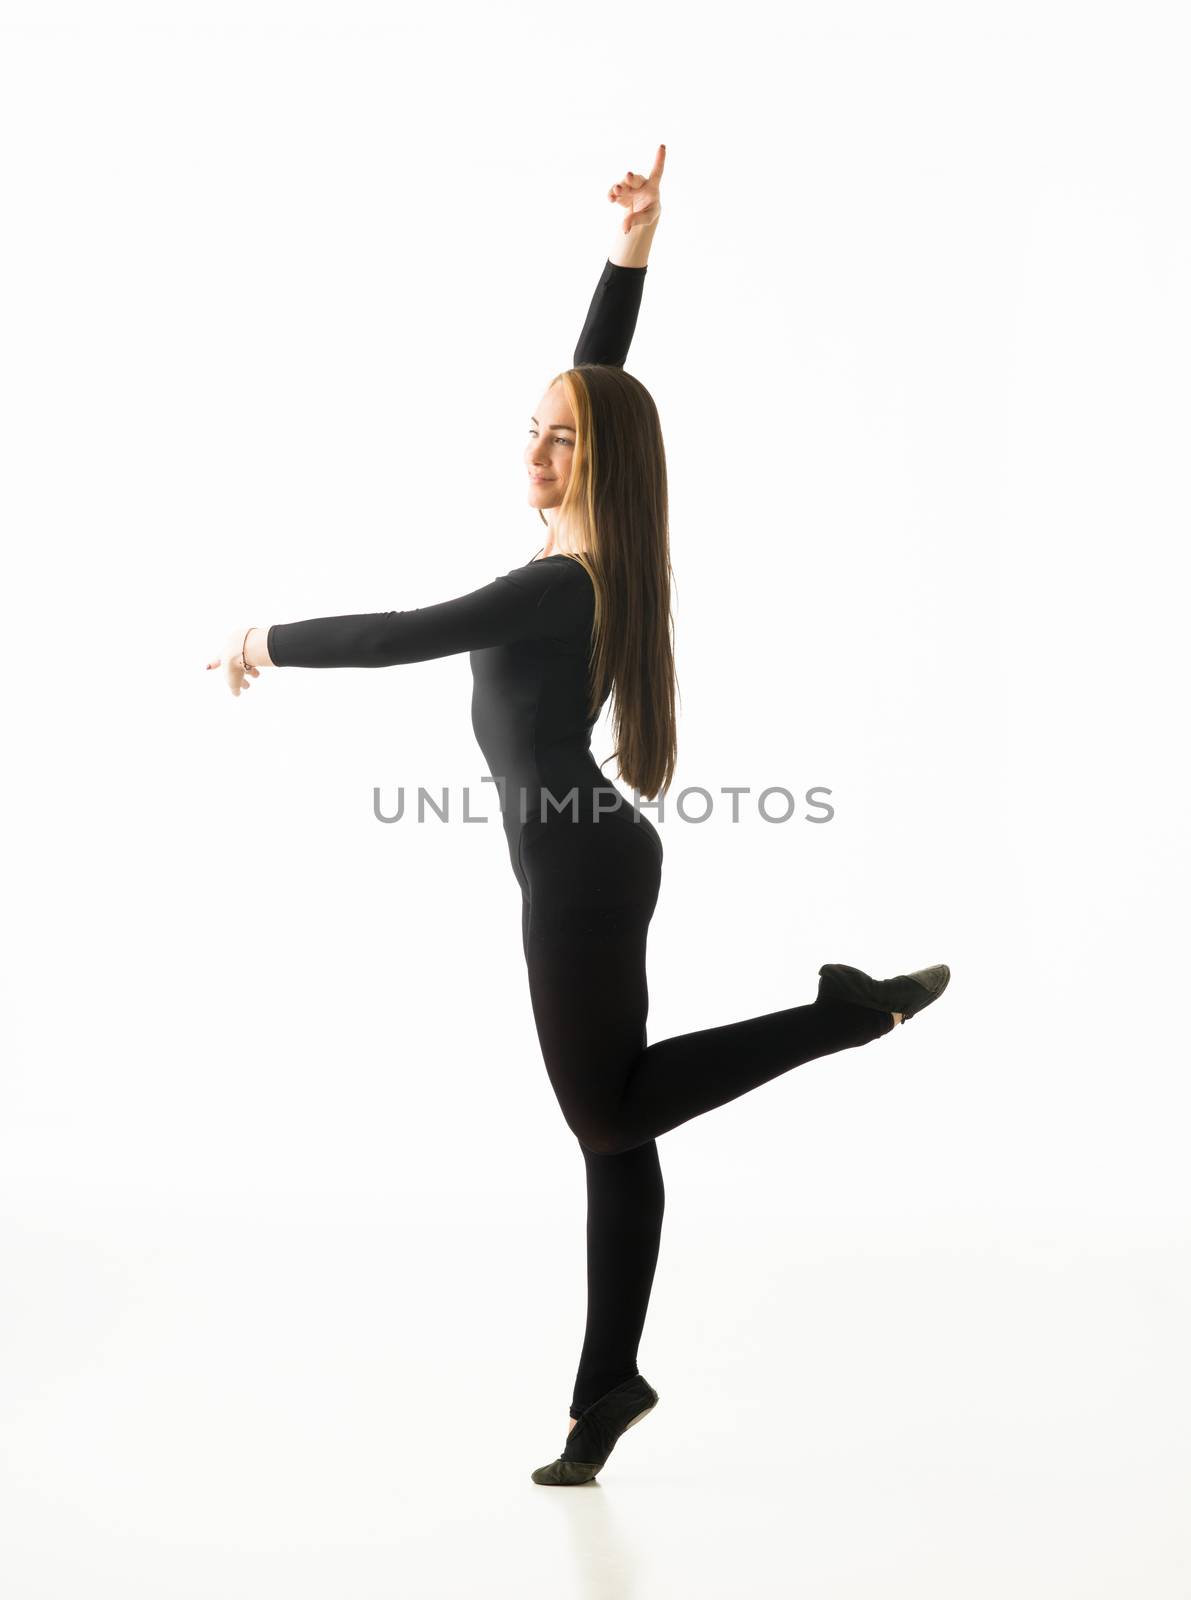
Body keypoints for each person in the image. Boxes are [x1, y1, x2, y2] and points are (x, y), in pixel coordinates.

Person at [206, 144, 950, 1487]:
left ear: (597, 461)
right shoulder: (577, 547)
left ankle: (849, 1013)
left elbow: (394, 636)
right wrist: (629, 260)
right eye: (531, 429)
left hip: (584, 872)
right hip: (589, 862)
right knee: (620, 1125)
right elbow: (595, 386)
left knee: (607, 1117)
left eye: (562, 439)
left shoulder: (559, 586)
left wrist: (266, 635)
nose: (538, 450)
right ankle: (608, 1387)